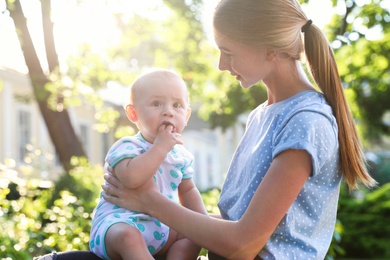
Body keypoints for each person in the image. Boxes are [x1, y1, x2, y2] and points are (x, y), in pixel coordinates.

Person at [101, 0, 377, 259]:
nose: (221, 65)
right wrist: (145, 219)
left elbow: (243, 245)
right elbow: (241, 225)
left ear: (270, 49)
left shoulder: (306, 121)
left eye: (228, 52)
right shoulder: (262, 115)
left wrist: (149, 201)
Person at [89, 69, 207, 260]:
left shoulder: (182, 156)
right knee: (129, 238)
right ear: (133, 113)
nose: (168, 111)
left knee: (192, 238)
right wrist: (160, 147)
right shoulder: (127, 146)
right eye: (156, 103)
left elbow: (188, 191)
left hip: (161, 227)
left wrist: (203, 226)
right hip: (120, 224)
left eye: (177, 105)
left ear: (186, 116)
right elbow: (132, 179)